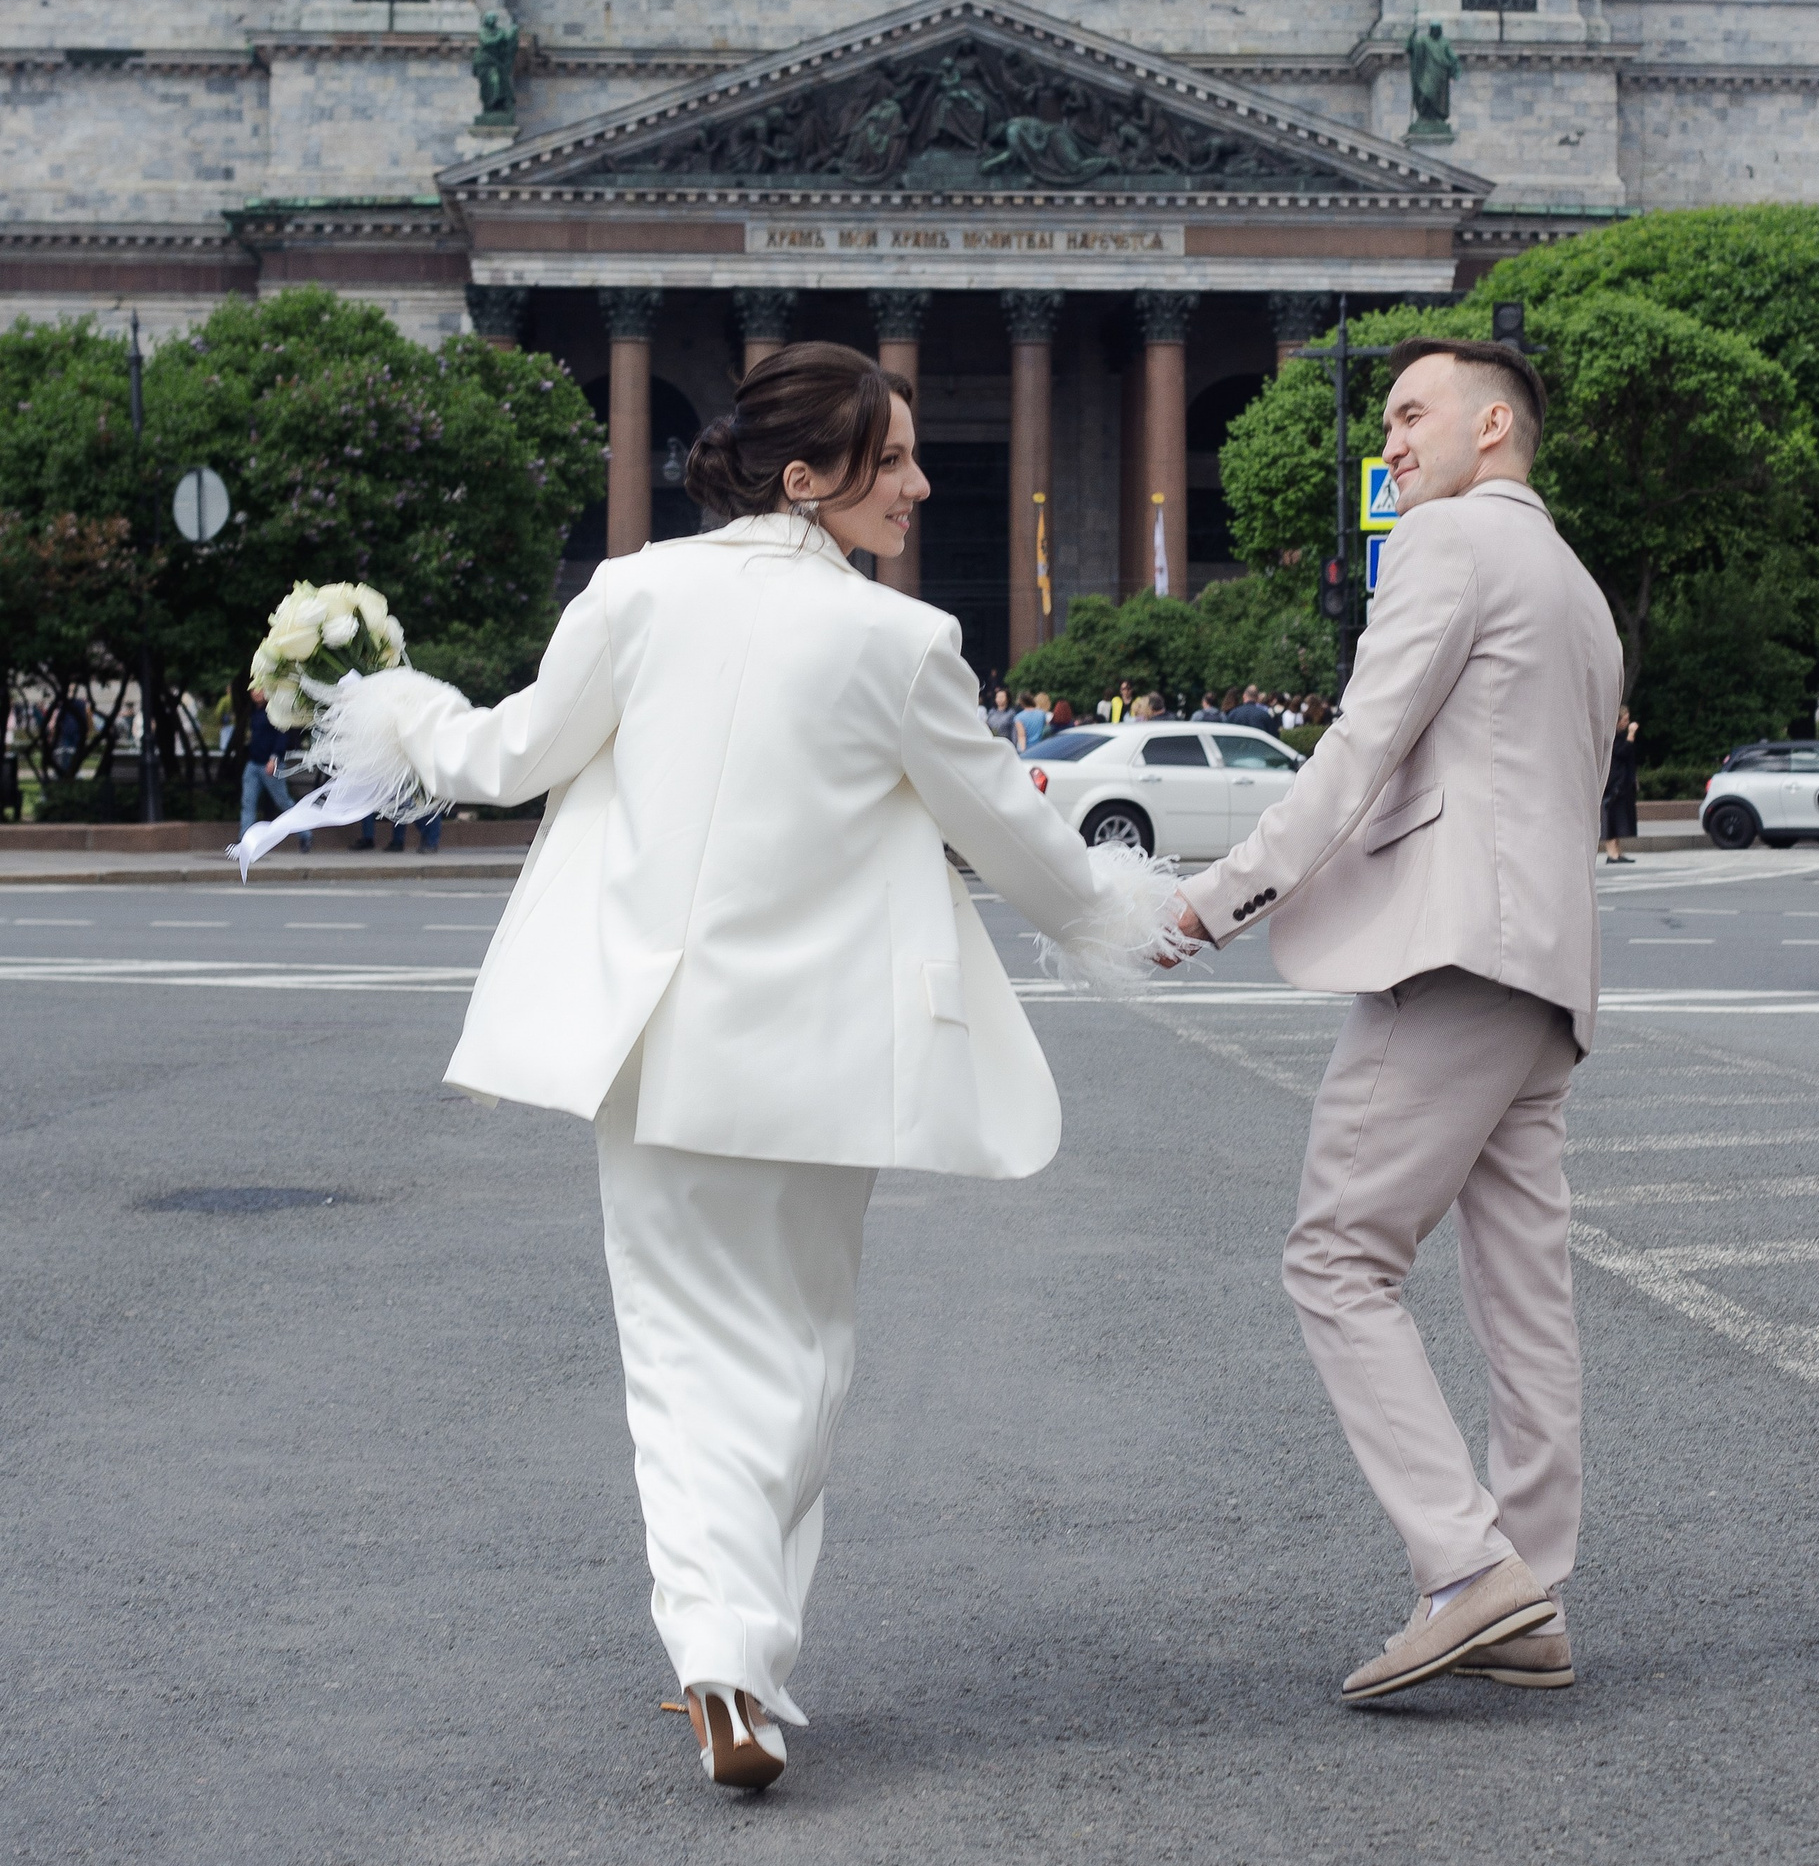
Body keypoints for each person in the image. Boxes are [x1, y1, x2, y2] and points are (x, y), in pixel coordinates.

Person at [296, 345, 1166, 1790]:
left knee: (678, 1353)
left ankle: (725, 1658)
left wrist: (399, 708)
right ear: (806, 478)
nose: (921, 483)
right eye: (894, 460)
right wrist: (1129, 920)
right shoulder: (903, 642)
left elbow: (505, 760)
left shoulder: (631, 593)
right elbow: (1010, 837)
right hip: (823, 1057)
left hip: (647, 1042)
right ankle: (739, 1658)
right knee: (803, 1350)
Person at [1165, 338, 1620, 1702]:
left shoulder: (1447, 544)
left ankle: (1467, 1570)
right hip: (1547, 969)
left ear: (1494, 428)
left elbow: (1362, 745)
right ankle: (1525, 1584)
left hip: (1455, 950)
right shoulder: (1578, 585)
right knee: (1523, 1288)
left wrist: (1219, 898)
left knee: (1336, 1257)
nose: (1392, 444)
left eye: (1413, 413)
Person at [241, 688, 312, 854]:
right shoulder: (255, 711)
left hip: (270, 764)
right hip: (254, 763)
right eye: (253, 690)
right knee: (248, 802)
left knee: (283, 802)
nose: (256, 693)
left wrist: (274, 758)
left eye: (260, 690)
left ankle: (305, 834)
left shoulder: (274, 711)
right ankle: (244, 839)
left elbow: (282, 736)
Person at [1601, 707, 1639, 864]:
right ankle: (1611, 853)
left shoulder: (1621, 736)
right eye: (1625, 720)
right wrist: (1631, 735)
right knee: (1610, 818)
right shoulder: (1611, 737)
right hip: (1612, 784)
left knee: (1618, 818)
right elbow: (1622, 752)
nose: (1627, 723)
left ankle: (1617, 851)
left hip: (1622, 783)